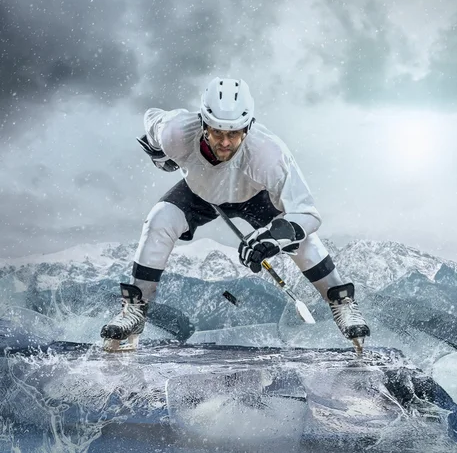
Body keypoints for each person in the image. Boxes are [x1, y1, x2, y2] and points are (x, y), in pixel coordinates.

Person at [100, 77, 370, 351]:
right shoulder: (176, 132)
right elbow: (152, 118)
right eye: (217, 132)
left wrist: (272, 238)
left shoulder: (269, 153)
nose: (225, 143)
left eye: (234, 133)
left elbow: (308, 214)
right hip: (199, 192)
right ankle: (134, 311)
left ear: (248, 127)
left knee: (300, 239)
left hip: (254, 196)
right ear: (203, 124)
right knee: (159, 220)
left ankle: (343, 303)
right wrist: (159, 150)